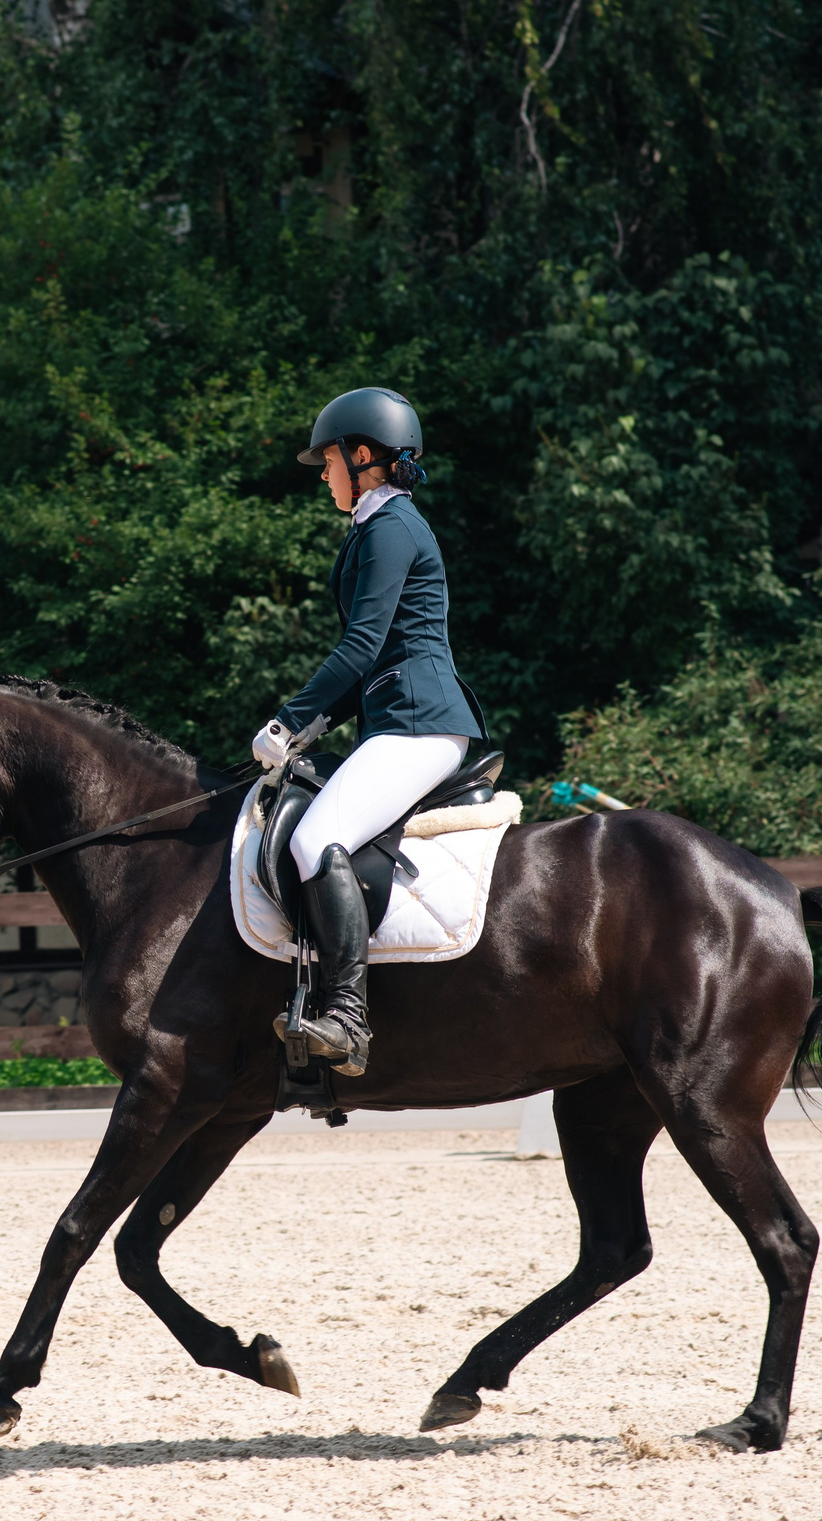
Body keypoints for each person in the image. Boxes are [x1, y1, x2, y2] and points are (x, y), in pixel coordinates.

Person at [251, 386, 484, 1075]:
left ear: (363, 456)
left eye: (328, 462)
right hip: (397, 718)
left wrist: (287, 718)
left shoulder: (390, 528)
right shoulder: (375, 530)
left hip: (420, 723)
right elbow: (365, 670)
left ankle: (347, 1019)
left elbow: (360, 647)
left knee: (316, 837)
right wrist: (305, 734)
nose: (323, 475)